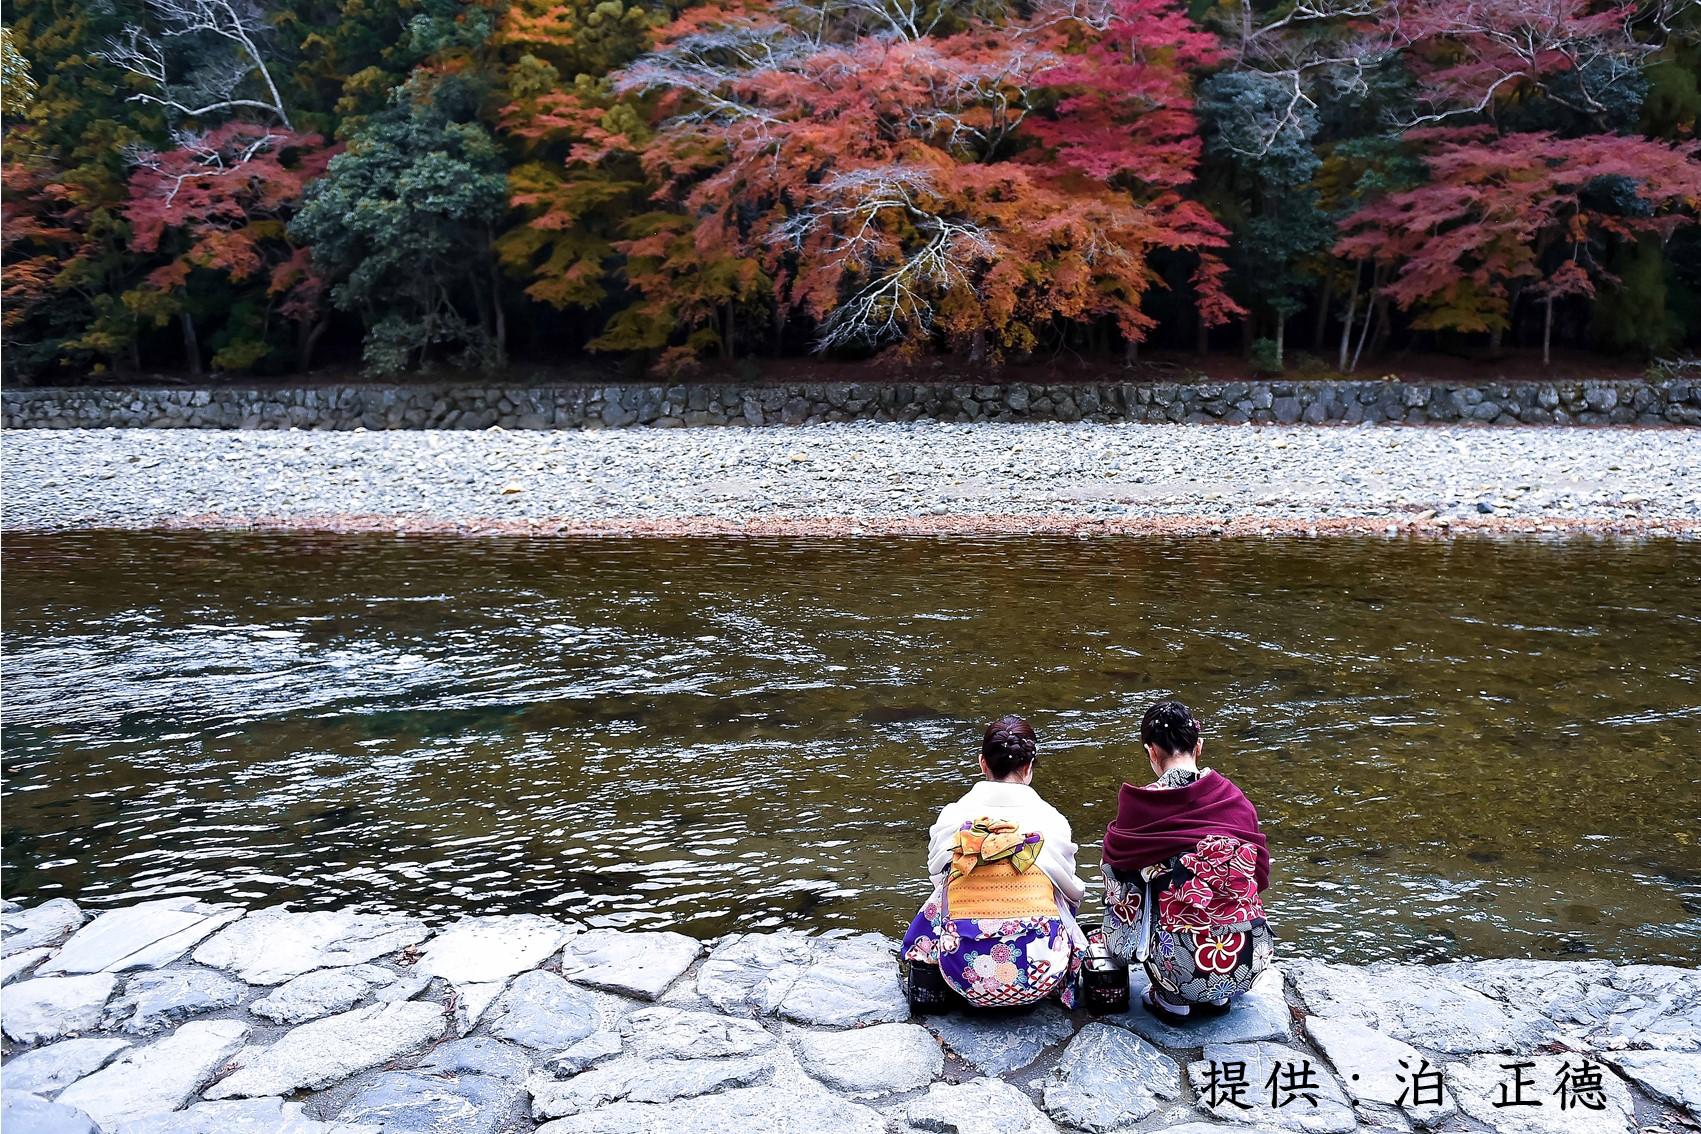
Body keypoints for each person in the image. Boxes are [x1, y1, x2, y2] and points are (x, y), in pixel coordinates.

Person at [1099, 700, 1275, 1024]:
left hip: (1177, 968)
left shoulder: (1141, 806)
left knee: (1126, 876)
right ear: (1199, 746)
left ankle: (1171, 1000)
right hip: (1247, 956)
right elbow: (1259, 874)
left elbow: (1118, 874)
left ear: (1151, 751)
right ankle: (1220, 992)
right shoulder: (1235, 800)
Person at [901, 715, 1088, 1010]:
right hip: (1038, 976)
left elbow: (937, 876)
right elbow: (1073, 892)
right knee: (1057, 893)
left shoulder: (953, 816)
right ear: (1029, 767)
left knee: (945, 891)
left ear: (982, 763)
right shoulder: (1052, 820)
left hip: (964, 975)